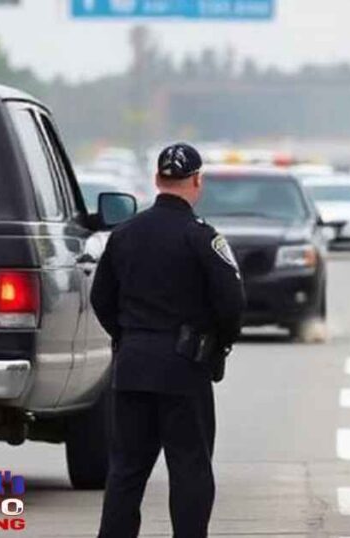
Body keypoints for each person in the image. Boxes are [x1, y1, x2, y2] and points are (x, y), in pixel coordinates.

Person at [92, 143, 245, 538]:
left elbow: (101, 299)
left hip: (132, 365)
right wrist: (216, 346)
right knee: (189, 468)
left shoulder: (123, 235)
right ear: (197, 182)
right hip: (184, 365)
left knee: (126, 470)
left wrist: (130, 338)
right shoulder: (202, 237)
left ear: (157, 180)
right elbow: (231, 302)